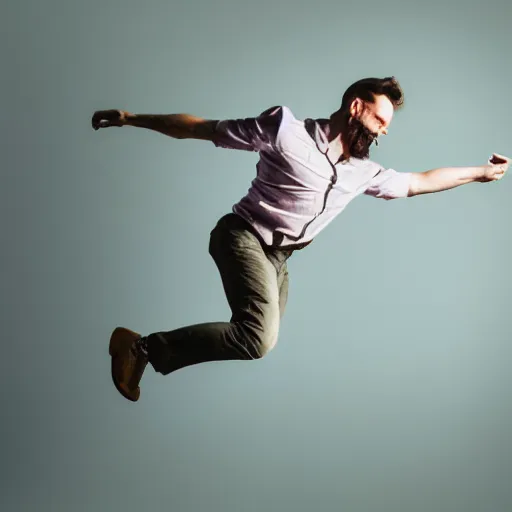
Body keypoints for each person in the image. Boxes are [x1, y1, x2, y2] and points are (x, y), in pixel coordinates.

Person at [92, 76, 510, 402]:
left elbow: (419, 181)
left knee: (258, 342)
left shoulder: (362, 172)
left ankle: (144, 350)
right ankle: (140, 349)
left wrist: (480, 172)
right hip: (243, 235)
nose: (384, 133)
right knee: (258, 337)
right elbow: (200, 129)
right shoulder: (285, 131)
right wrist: (131, 119)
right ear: (356, 106)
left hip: (279, 259)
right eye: (380, 121)